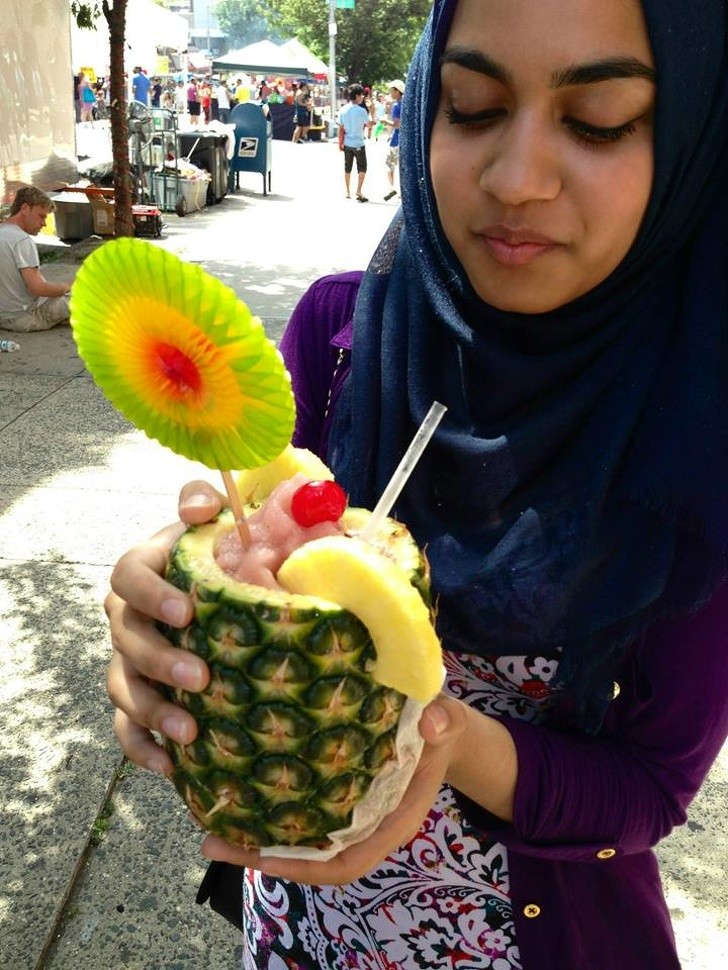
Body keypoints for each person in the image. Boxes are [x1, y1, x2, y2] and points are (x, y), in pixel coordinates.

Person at [104, 0, 728, 967]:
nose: (515, 180)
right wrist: (181, 609)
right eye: (471, 106)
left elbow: (649, 791)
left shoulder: (702, 433)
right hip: (298, 936)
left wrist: (429, 739)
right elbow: (266, 516)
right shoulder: (340, 338)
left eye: (599, 120)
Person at [0, 187, 73, 332]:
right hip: (23, 317)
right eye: (41, 216)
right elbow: (38, 288)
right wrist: (66, 286)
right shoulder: (21, 240)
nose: (44, 223)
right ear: (25, 208)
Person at [338, 83, 372, 201]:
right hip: (359, 143)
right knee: (362, 168)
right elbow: (368, 124)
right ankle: (358, 190)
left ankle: (347, 191)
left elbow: (341, 128)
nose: (362, 97)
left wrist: (340, 143)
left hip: (347, 142)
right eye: (361, 95)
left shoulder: (343, 110)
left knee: (347, 168)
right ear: (357, 96)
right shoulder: (362, 111)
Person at [383, 78, 405, 200]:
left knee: (389, 165)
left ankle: (393, 188)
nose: (390, 92)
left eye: (392, 90)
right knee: (402, 166)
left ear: (397, 91)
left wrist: (384, 121)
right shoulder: (408, 104)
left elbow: (397, 124)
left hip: (396, 139)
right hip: (405, 139)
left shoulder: (397, 105)